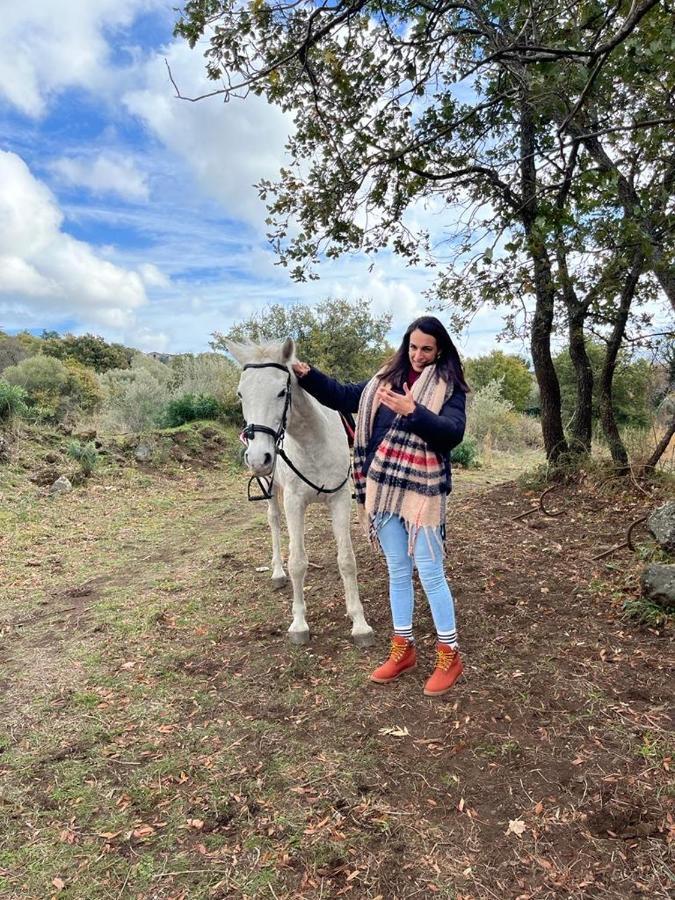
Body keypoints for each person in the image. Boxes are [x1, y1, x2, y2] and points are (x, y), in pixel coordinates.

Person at [292, 315, 468, 697]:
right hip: (382, 491)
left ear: (440, 351)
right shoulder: (381, 382)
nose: (419, 355)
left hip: (422, 493)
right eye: (413, 347)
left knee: (431, 572)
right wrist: (308, 375)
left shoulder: (448, 387)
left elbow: (452, 434)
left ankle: (449, 654)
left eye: (427, 349)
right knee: (397, 570)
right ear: (406, 344)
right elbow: (341, 396)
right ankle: (403, 648)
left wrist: (413, 411)